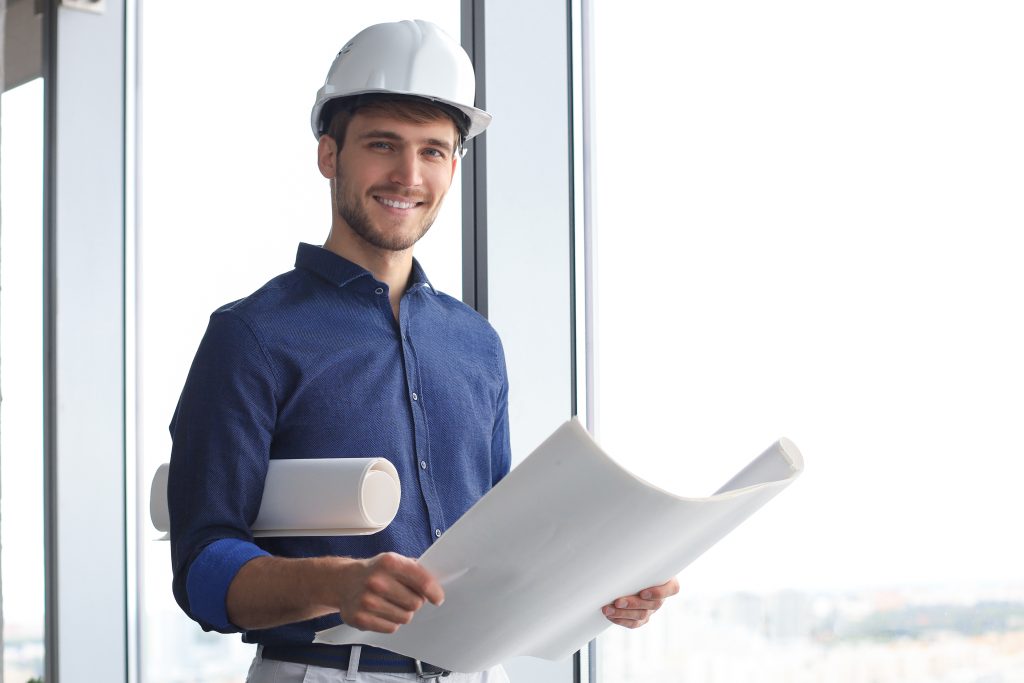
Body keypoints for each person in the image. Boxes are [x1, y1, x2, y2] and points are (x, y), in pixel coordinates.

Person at [167, 19, 678, 683]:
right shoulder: (251, 336)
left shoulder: (476, 345)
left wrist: (601, 588)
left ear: (455, 166)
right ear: (329, 155)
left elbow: (502, 551)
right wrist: (337, 582)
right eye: (383, 145)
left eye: (433, 151)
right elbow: (202, 571)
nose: (408, 174)